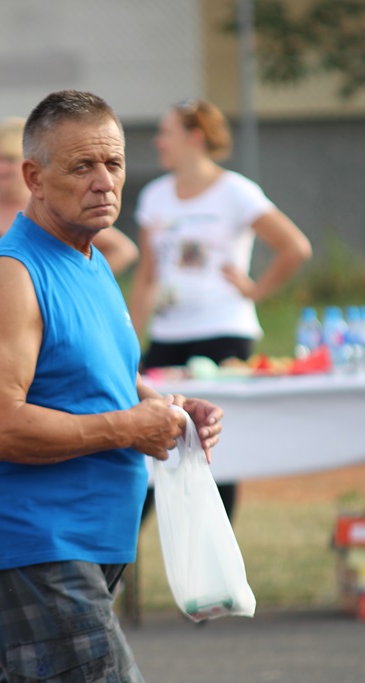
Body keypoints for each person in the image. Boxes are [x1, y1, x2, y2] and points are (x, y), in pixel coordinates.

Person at [0, 90, 224, 682]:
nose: (105, 182)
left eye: (114, 164)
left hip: (85, 540)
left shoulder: (91, 259)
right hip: (33, 544)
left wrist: (169, 409)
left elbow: (101, 376)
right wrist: (130, 427)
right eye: (82, 166)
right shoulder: (13, 275)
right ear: (34, 177)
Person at [129, 97, 312, 521]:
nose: (158, 141)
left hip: (223, 331)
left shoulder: (236, 191)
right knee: (148, 432)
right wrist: (131, 337)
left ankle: (216, 547)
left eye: (166, 132)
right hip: (168, 334)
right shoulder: (155, 196)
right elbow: (147, 275)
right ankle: (126, 560)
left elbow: (295, 247)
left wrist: (254, 290)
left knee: (214, 447)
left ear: (195, 138)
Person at [0, 115, 140, 275]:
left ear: (31, 164)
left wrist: (77, 283)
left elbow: (123, 250)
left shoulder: (53, 204)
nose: (0, 169)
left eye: (10, 160)